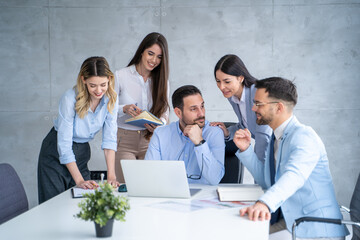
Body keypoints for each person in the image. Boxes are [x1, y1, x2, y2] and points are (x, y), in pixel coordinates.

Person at [234, 77, 348, 239]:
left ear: (279, 107)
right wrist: (246, 150)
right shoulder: (276, 138)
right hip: (290, 220)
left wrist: (265, 203)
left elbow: (294, 176)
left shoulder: (304, 137)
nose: (253, 108)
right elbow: (267, 181)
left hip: (314, 228)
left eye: (258, 104)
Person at [38, 56, 120, 204]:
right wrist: (79, 180)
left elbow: (109, 140)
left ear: (109, 79)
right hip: (55, 153)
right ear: (83, 80)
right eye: (93, 85)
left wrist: (111, 176)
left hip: (81, 151)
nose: (99, 90)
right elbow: (63, 144)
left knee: (83, 203)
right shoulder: (70, 98)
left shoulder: (111, 99)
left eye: (103, 84)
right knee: (53, 206)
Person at [114, 32, 170, 183]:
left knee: (149, 186)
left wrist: (161, 125)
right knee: (127, 188)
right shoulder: (120, 76)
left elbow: (165, 109)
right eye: (150, 54)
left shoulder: (161, 80)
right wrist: (124, 108)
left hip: (150, 139)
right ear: (141, 52)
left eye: (159, 57)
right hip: (124, 140)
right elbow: (107, 110)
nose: (154, 60)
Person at [145, 85, 225, 185]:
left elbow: (215, 179)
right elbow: (150, 174)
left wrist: (200, 143)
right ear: (178, 113)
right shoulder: (160, 134)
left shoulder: (214, 133)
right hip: (169, 196)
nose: (201, 114)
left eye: (202, 106)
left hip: (203, 197)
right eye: (193, 109)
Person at [210, 54, 272, 163]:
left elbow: (264, 135)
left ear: (241, 78)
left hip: (276, 150)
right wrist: (227, 133)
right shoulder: (233, 96)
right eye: (218, 81)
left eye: (227, 81)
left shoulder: (257, 92)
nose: (221, 87)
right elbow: (245, 125)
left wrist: (259, 173)